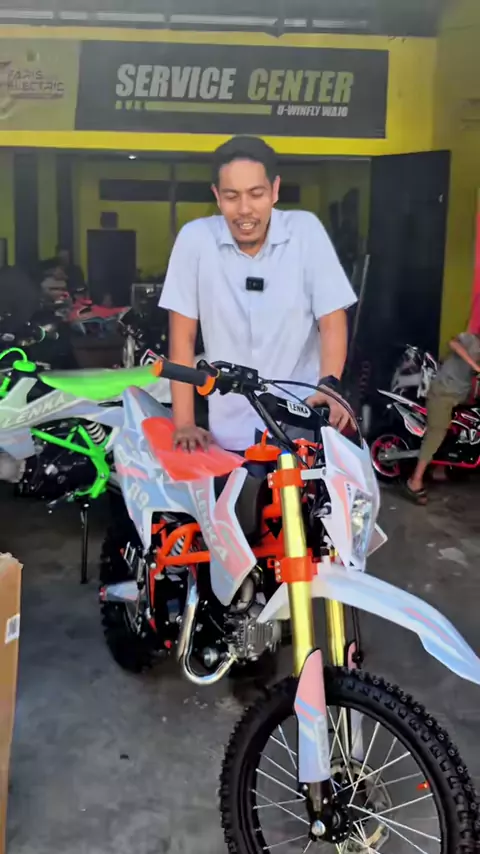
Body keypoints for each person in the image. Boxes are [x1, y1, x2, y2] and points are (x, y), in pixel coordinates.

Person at [159, 135, 357, 453]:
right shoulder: (195, 240)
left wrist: (329, 385)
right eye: (231, 196)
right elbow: (182, 337)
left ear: (275, 190)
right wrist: (184, 422)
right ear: (217, 195)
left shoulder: (305, 232)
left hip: (300, 422)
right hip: (229, 431)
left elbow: (332, 319)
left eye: (256, 194)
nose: (245, 210)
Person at [404, 329, 480, 504]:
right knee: (437, 432)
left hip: (460, 397)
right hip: (443, 394)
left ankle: (440, 468)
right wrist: (476, 367)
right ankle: (414, 480)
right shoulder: (469, 339)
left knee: (463, 430)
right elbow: (453, 344)